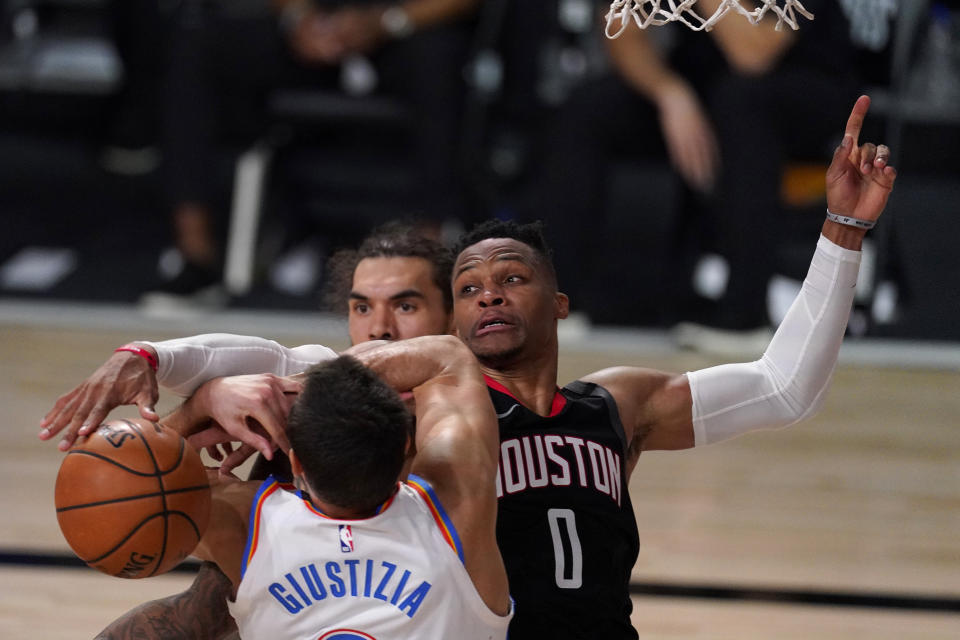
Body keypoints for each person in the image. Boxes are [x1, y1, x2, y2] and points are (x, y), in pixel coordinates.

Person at [47, 96, 896, 638]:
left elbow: (785, 387)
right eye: (469, 286)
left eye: (513, 279)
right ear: (449, 318)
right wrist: (180, 366)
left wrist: (841, 234)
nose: (489, 296)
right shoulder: (420, 408)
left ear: (558, 304)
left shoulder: (618, 404)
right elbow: (282, 363)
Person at [117, 336, 513, 638]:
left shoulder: (246, 524)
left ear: (295, 462)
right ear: (407, 445)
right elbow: (448, 355)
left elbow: (127, 485)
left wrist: (204, 404)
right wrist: (309, 387)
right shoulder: (459, 510)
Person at [535, 0, 860, 342]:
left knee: (739, 102)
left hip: (805, 86)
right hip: (705, 85)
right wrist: (669, 93)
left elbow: (753, 53)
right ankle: (559, 300)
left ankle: (744, 315)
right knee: (588, 108)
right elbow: (620, 30)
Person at [145, 0, 478, 300]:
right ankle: (195, 255)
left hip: (407, 30)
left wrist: (387, 21)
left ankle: (429, 261)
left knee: (441, 57)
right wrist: (298, 16)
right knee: (197, 42)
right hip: (315, 30)